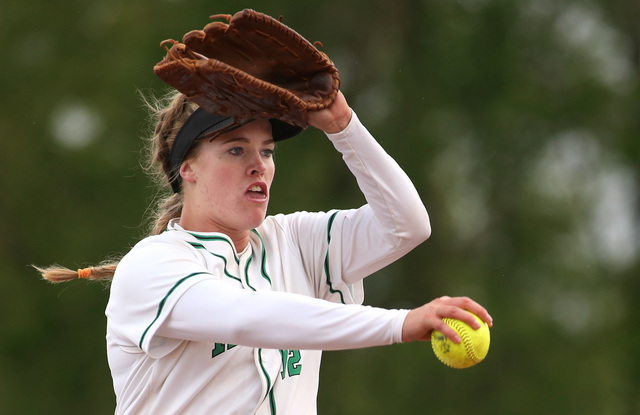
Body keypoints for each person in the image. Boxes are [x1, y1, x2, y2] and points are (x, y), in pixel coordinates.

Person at [37, 88, 493, 414]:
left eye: (268, 150)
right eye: (236, 150)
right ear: (187, 168)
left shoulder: (295, 241)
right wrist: (399, 322)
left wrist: (342, 126)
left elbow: (406, 226)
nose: (259, 165)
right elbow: (248, 317)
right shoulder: (154, 265)